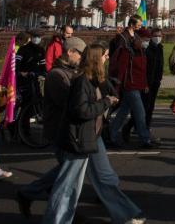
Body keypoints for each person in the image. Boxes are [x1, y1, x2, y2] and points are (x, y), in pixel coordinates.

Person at [43, 43, 144, 224]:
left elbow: (111, 94)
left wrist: (108, 88)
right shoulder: (81, 80)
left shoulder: (93, 78)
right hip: (80, 137)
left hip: (91, 135)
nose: (107, 59)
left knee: (102, 178)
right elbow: (81, 111)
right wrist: (105, 102)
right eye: (105, 56)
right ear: (97, 58)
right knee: (68, 185)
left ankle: (126, 214)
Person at [16, 37, 86, 216]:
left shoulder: (70, 71)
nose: (81, 58)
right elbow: (69, 103)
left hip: (69, 129)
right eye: (79, 54)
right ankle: (60, 212)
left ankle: (29, 193)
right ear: (70, 52)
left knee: (66, 172)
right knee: (68, 174)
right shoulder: (57, 74)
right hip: (60, 130)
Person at [109, 27, 156, 149]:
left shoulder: (141, 51)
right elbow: (121, 71)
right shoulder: (127, 51)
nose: (147, 42)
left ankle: (111, 135)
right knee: (140, 114)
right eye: (145, 39)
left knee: (123, 113)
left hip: (138, 86)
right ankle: (145, 139)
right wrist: (117, 90)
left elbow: (142, 71)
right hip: (130, 87)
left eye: (148, 40)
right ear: (137, 38)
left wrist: (145, 84)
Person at [16, 29, 46, 106]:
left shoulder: (41, 50)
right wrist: (19, 73)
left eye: (38, 37)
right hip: (23, 77)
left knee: (35, 98)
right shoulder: (23, 48)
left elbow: (43, 65)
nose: (36, 39)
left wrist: (43, 74)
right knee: (20, 100)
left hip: (35, 77)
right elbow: (17, 62)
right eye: (34, 37)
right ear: (31, 37)